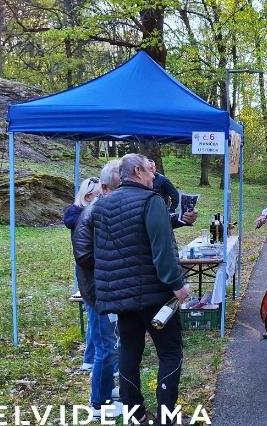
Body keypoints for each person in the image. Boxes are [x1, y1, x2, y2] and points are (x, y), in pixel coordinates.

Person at [90, 153, 190, 426]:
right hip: (155, 294)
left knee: (129, 353)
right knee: (169, 353)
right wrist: (178, 285)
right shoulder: (151, 201)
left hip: (121, 296)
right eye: (150, 169)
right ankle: (166, 418)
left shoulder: (102, 206)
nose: (154, 175)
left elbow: (96, 251)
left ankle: (136, 416)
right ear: (136, 171)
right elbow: (163, 250)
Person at [72, 161, 123, 421]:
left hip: (112, 288)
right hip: (100, 291)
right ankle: (98, 404)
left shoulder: (107, 211)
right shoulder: (92, 214)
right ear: (104, 188)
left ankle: (106, 391)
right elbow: (84, 257)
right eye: (118, 188)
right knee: (106, 347)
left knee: (113, 344)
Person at [63, 176, 102, 372]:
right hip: (88, 272)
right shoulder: (79, 216)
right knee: (96, 315)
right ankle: (92, 359)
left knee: (96, 316)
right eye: (99, 195)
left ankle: (91, 357)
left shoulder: (84, 214)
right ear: (88, 196)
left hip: (92, 271)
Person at [147, 159, 198, 228]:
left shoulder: (163, 180)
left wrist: (172, 210)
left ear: (155, 168)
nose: (150, 170)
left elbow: (175, 195)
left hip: (162, 213)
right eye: (148, 168)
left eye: (152, 167)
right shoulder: (143, 181)